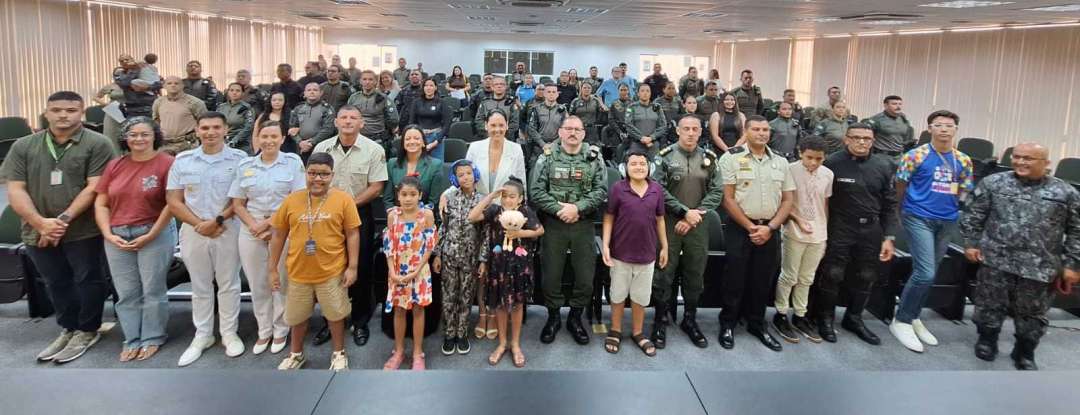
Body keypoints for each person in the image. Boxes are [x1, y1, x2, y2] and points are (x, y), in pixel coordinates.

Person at [2, 91, 115, 364]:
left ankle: (87, 329)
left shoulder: (98, 143)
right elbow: (15, 190)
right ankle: (68, 327)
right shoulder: (24, 145)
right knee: (56, 281)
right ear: (46, 112)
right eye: (57, 110)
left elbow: (95, 187)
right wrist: (41, 224)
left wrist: (60, 222)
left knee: (88, 279)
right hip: (36, 229)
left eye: (71, 110)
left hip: (83, 229)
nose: (63, 115)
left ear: (82, 113)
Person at [961, 143, 1080, 370]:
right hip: (996, 259)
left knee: (1033, 312)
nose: (1021, 162)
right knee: (989, 304)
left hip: (1039, 265)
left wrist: (1072, 264)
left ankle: (1025, 350)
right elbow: (973, 215)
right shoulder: (994, 183)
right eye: (1017, 157)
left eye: (1029, 158)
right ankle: (987, 340)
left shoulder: (1065, 193)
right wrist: (971, 243)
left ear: (1046, 164)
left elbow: (1076, 230)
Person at [165, 112, 248, 367]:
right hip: (194, 230)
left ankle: (228, 333)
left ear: (225, 130)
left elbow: (241, 199)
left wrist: (217, 221)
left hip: (228, 228)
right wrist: (200, 224)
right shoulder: (183, 160)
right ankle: (202, 336)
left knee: (229, 283)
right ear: (197, 131)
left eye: (215, 127)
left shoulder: (240, 159)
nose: (210, 132)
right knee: (200, 286)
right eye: (205, 128)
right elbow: (173, 201)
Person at [890, 110, 974, 353]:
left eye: (949, 125)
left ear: (956, 129)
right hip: (919, 218)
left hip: (947, 220)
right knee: (925, 272)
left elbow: (964, 191)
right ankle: (902, 319)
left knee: (930, 272)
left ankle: (914, 315)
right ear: (930, 128)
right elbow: (900, 185)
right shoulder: (916, 155)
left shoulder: (964, 160)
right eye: (938, 125)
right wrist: (903, 212)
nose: (944, 130)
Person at [93, 117, 175, 362]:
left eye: (144, 134)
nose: (138, 139)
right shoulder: (115, 165)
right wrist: (108, 233)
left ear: (155, 136)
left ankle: (152, 337)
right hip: (116, 235)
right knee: (126, 292)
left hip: (154, 232)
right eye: (133, 134)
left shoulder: (167, 163)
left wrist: (151, 234)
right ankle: (132, 338)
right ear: (125, 138)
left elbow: (172, 204)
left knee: (152, 289)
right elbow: (101, 202)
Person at [808, 123, 898, 345]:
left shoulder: (884, 165)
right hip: (840, 227)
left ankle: (854, 318)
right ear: (846, 139)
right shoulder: (831, 164)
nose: (861, 142)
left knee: (867, 275)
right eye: (856, 137)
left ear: (873, 141)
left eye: (867, 138)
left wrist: (889, 237)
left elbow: (890, 203)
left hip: (871, 229)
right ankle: (825, 318)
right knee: (833, 274)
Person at [270, 152, 360, 371]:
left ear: (332, 175)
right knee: (296, 317)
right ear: (305, 173)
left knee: (335, 315)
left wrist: (353, 266)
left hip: (332, 271)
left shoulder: (343, 199)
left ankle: (339, 353)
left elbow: (352, 234)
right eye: (312, 173)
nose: (317, 179)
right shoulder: (292, 200)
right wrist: (272, 268)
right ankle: (296, 354)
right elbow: (278, 234)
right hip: (299, 272)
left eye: (324, 174)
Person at [311, 106, 388, 347]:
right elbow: (313, 180)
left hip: (358, 212)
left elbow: (377, 186)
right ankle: (331, 320)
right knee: (328, 268)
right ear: (335, 121)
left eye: (353, 118)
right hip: (324, 215)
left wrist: (345, 206)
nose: (348, 121)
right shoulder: (321, 148)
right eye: (343, 117)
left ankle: (360, 321)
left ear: (361, 123)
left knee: (361, 268)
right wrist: (334, 208)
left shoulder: (374, 150)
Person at [718, 115, 795, 352]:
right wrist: (751, 227)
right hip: (741, 228)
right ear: (746, 131)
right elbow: (727, 199)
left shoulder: (781, 162)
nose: (762, 134)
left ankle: (757, 324)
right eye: (757, 129)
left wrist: (770, 227)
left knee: (763, 280)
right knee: (735, 279)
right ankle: (728, 323)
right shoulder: (731, 158)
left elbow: (788, 199)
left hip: (770, 229)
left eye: (765, 130)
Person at [229, 121, 306, 357]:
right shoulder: (245, 165)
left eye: (274, 136)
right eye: (264, 136)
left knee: (281, 280)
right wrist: (254, 225)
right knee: (257, 282)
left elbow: (297, 198)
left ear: (283, 139)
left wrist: (269, 223)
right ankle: (264, 329)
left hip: (282, 229)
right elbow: (237, 203)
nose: (269, 141)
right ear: (257, 139)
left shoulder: (292, 163)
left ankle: (281, 328)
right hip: (250, 230)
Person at [530, 116, 607, 346]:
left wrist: (577, 209)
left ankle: (575, 317)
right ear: (560, 132)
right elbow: (536, 191)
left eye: (577, 129)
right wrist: (559, 210)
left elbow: (601, 190)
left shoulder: (594, 158)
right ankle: (553, 317)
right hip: (554, 224)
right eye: (568, 129)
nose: (573, 132)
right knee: (551, 274)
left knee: (585, 277)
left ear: (584, 134)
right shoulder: (547, 157)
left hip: (583, 225)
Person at [649, 116, 723, 349]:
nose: (690, 133)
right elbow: (657, 188)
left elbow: (717, 190)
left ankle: (689, 319)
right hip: (669, 223)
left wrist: (694, 215)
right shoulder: (665, 157)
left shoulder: (709, 158)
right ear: (678, 131)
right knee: (664, 273)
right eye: (686, 129)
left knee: (695, 273)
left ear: (700, 132)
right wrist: (683, 212)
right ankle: (660, 319)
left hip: (698, 224)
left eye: (695, 129)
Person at [468, 178, 544, 368]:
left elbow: (540, 230)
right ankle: (502, 343)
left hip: (519, 267)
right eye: (504, 196)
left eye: (512, 197)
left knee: (517, 306)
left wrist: (521, 234)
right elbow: (472, 216)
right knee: (500, 305)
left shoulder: (526, 212)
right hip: (498, 267)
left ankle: (515, 344)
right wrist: (492, 196)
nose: (508, 200)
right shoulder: (495, 211)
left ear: (520, 199)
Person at [601, 151, 666, 357]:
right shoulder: (618, 189)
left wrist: (664, 246)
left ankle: (638, 332)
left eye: (642, 163)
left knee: (641, 297)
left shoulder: (656, 189)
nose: (639, 167)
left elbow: (660, 220)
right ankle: (616, 329)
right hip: (620, 254)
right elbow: (609, 217)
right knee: (618, 294)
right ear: (625, 168)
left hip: (647, 255)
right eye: (634, 164)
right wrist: (606, 245)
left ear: (649, 167)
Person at [770, 136, 832, 344]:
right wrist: (796, 219)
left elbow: (824, 204)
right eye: (809, 158)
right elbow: (784, 202)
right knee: (789, 275)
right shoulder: (789, 170)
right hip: (794, 231)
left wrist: (824, 229)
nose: (813, 163)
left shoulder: (828, 174)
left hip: (819, 233)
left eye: (819, 159)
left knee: (807, 277)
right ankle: (780, 313)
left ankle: (800, 315)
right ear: (800, 153)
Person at [381, 176, 439, 370]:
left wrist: (416, 271)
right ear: (397, 195)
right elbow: (388, 247)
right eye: (404, 194)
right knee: (398, 310)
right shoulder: (393, 216)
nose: (408, 199)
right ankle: (398, 351)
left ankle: (417, 353)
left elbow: (429, 247)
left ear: (420, 195)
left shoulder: (427, 216)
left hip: (419, 271)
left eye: (413, 194)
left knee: (418, 309)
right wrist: (392, 271)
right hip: (397, 271)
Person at [433, 159, 484, 355]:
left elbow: (485, 234)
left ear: (475, 175)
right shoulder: (450, 198)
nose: (466, 177)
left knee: (466, 296)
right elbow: (443, 228)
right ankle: (449, 333)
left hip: (470, 258)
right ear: (455, 178)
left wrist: (483, 260)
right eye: (461, 174)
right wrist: (438, 254)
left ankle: (462, 334)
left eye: (469, 173)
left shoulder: (482, 200)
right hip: (449, 256)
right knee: (448, 295)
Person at [466, 110, 527, 195]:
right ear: (486, 125)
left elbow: (521, 184)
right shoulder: (474, 148)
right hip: (478, 205)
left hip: (505, 206)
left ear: (507, 125)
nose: (497, 129)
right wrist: (447, 194)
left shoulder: (516, 150)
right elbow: (464, 177)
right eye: (493, 125)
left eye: (501, 125)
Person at [383, 125, 443, 209]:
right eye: (407, 139)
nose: (412, 141)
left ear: (423, 143)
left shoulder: (435, 165)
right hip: (397, 216)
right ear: (403, 143)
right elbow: (388, 199)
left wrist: (417, 216)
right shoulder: (392, 164)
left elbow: (433, 201)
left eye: (416, 138)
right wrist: (394, 214)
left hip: (424, 216)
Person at [347, 69, 400, 153]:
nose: (367, 82)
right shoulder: (353, 98)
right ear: (360, 81)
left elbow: (394, 119)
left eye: (370, 79)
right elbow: (348, 116)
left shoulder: (383, 98)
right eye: (364, 79)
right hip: (358, 138)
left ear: (375, 81)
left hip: (377, 139)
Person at [153, 76, 207, 155]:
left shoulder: (195, 103)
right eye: (169, 83)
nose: (173, 85)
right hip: (164, 145)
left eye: (176, 83)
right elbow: (156, 121)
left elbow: (204, 123)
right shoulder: (159, 102)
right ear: (164, 86)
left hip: (187, 145)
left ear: (182, 85)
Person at [408, 79, 453, 160]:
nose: (428, 88)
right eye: (426, 85)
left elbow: (447, 123)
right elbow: (411, 122)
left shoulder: (441, 102)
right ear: (423, 88)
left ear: (435, 88)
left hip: (436, 137)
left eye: (431, 85)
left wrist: (437, 141)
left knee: (438, 167)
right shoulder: (416, 102)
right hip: (420, 137)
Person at [288, 83, 336, 157]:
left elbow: (328, 129)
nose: (312, 92)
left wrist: (311, 142)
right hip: (301, 147)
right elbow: (292, 128)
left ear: (321, 93)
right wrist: (300, 142)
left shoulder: (327, 109)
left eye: (315, 90)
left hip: (321, 147)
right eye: (309, 90)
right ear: (305, 93)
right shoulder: (298, 108)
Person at [622, 83, 668, 159]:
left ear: (650, 93)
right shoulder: (632, 107)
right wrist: (641, 138)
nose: (645, 93)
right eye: (642, 91)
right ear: (638, 94)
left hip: (653, 144)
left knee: (656, 168)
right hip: (637, 144)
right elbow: (628, 125)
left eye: (647, 91)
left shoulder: (657, 107)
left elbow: (663, 126)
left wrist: (651, 137)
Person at [526, 84, 567, 167]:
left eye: (553, 92)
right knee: (533, 173)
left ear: (557, 94)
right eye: (548, 92)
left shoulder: (563, 110)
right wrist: (543, 144)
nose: (551, 94)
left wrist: (554, 144)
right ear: (544, 94)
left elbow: (565, 129)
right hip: (539, 148)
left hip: (557, 147)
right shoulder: (536, 109)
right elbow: (531, 128)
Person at [474, 77, 522, 142]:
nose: (499, 86)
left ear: (505, 87)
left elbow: (515, 123)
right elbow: (479, 121)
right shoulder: (485, 102)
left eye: (502, 84)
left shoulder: (512, 102)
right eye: (496, 84)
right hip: (487, 138)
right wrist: (489, 134)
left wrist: (502, 135)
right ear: (492, 87)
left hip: (507, 139)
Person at [113, 54, 161, 118]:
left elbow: (159, 84)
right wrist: (135, 69)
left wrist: (147, 87)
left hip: (150, 107)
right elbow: (125, 83)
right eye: (121, 61)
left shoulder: (145, 69)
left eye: (127, 60)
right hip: (133, 110)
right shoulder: (119, 73)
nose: (124, 62)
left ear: (132, 60)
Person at [218, 83, 256, 154]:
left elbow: (248, 127)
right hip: (223, 143)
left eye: (238, 91)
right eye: (231, 90)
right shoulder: (221, 107)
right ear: (228, 92)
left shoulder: (246, 108)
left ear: (242, 93)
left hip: (241, 145)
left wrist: (235, 140)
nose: (234, 93)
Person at [568, 81, 608, 146]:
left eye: (589, 88)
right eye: (585, 88)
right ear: (581, 89)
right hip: (579, 129)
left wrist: (600, 101)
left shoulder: (595, 101)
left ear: (591, 90)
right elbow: (571, 116)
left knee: (594, 151)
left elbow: (604, 111)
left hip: (592, 130)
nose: (587, 89)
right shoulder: (575, 101)